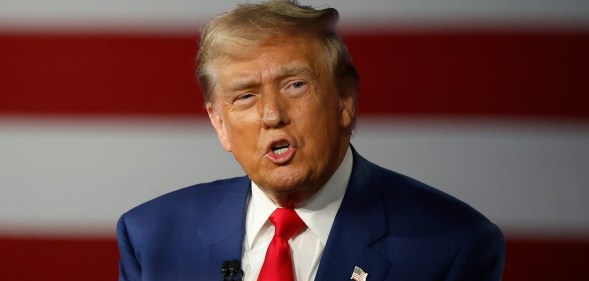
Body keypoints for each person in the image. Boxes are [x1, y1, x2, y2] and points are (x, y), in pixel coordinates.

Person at [116, 1, 505, 280]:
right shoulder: (151, 238)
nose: (272, 115)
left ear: (344, 101)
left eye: (295, 85)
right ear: (219, 124)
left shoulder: (452, 245)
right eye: (246, 96)